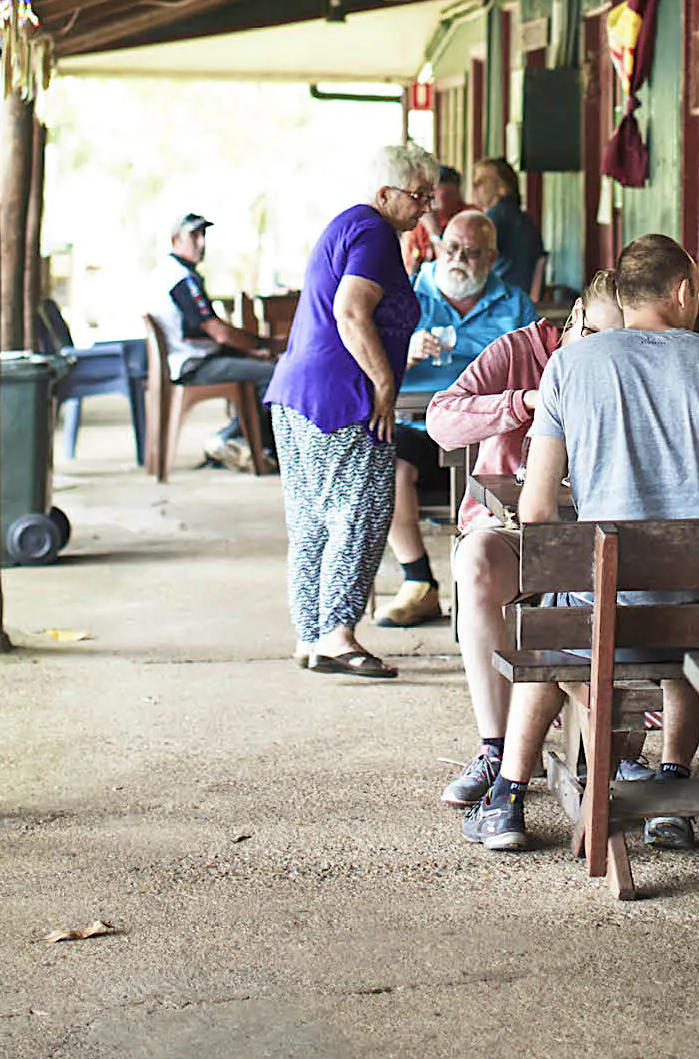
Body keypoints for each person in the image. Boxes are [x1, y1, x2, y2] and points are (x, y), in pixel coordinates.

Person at [461, 233, 699, 856]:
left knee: (555, 617)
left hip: (600, 620)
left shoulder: (569, 365)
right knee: (688, 610)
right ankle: (671, 791)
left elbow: (534, 509)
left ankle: (507, 797)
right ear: (684, 292)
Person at [427, 270, 621, 809]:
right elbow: (442, 421)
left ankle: (620, 753)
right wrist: (522, 403)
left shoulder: (633, 369)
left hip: (596, 540)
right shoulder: (518, 350)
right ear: (576, 317)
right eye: (596, 338)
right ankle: (495, 747)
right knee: (476, 562)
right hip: (513, 532)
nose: (603, 355)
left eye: (619, 342)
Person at [266, 142, 436, 676]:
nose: (426, 206)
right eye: (419, 195)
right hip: (342, 399)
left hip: (296, 394)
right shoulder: (374, 232)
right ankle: (338, 633)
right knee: (359, 512)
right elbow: (350, 310)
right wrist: (383, 383)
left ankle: (311, 633)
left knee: (313, 517)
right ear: (386, 194)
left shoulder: (349, 226)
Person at [375, 211, 540, 629]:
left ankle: (505, 587)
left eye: (471, 251)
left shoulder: (514, 302)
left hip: (494, 435)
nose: (458, 258)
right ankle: (418, 581)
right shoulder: (410, 292)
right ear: (438, 246)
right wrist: (404, 352)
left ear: (492, 256)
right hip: (421, 423)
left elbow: (538, 368)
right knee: (389, 467)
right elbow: (370, 359)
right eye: (451, 248)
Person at [146, 210, 276, 470]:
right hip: (194, 365)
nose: (201, 242)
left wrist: (250, 352)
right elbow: (219, 332)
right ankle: (232, 439)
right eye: (193, 235)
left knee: (261, 368)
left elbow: (210, 334)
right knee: (277, 374)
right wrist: (263, 344)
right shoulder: (180, 278)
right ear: (175, 241)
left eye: (203, 234)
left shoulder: (169, 272)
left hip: (192, 359)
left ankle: (245, 442)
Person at [470, 157, 545, 300]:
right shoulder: (523, 218)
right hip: (520, 300)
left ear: (503, 187)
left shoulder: (497, 215)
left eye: (481, 181)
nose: (474, 185)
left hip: (501, 301)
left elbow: (473, 262)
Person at [400, 165, 464, 274]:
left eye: (433, 197)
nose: (428, 204)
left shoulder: (469, 219)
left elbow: (453, 269)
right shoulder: (418, 223)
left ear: (456, 193)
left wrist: (434, 232)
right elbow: (408, 271)